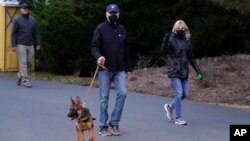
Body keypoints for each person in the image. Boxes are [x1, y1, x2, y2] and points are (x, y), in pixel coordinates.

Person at [91, 4, 131, 136]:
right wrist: (99, 56)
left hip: (120, 69)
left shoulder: (122, 29)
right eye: (110, 13)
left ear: (118, 14)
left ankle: (114, 122)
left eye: (115, 12)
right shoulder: (100, 28)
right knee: (104, 98)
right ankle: (103, 126)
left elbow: (126, 50)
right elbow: (94, 46)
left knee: (123, 93)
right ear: (106, 14)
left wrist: (128, 68)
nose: (113, 15)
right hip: (105, 69)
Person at [161, 20, 203, 125]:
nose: (180, 30)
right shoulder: (171, 39)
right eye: (178, 28)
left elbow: (191, 57)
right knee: (179, 93)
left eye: (182, 28)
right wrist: (165, 38)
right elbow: (163, 51)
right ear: (174, 29)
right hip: (174, 69)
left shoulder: (187, 41)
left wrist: (198, 70)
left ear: (185, 29)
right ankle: (178, 118)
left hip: (184, 70)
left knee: (185, 94)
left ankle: (170, 107)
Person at [11, 2, 40, 88]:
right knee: (23, 62)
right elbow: (13, 34)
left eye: (27, 8)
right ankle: (25, 80)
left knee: (29, 62)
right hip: (20, 44)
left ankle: (19, 75)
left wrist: (38, 43)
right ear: (21, 9)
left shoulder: (32, 20)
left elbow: (36, 32)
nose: (26, 10)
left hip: (30, 44)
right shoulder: (17, 20)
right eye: (24, 8)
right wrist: (13, 45)